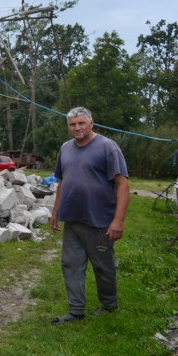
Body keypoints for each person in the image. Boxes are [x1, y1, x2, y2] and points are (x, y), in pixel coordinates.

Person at [50, 106, 130, 325]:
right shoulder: (65, 148)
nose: (77, 128)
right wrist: (56, 211)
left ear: (91, 123)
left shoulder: (107, 147)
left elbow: (122, 185)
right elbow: (62, 181)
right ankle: (76, 311)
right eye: (73, 124)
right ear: (68, 127)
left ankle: (109, 305)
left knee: (103, 266)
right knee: (71, 264)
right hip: (72, 219)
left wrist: (118, 220)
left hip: (99, 220)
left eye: (81, 123)